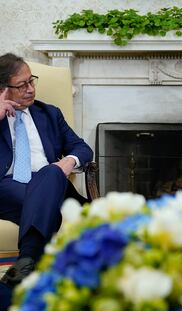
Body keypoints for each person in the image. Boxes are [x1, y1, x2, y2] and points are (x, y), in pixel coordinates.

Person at [0, 53, 93, 291]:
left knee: (51, 174)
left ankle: (26, 262)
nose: (30, 89)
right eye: (22, 85)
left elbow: (82, 148)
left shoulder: (49, 113)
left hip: (50, 184)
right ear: (3, 89)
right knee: (52, 205)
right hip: (7, 188)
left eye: (32, 81)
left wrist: (68, 162)